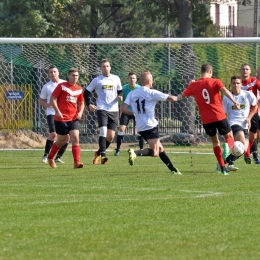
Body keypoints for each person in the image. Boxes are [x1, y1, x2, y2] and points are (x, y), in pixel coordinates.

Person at [181, 63, 239, 175]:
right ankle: (230, 154)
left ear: (201, 72)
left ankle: (222, 167)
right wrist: (234, 101)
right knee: (229, 137)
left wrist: (176, 96)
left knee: (215, 142)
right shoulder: (215, 81)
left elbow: (182, 95)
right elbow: (225, 91)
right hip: (219, 115)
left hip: (207, 120)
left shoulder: (194, 85)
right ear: (210, 72)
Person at [121, 71, 181, 175]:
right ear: (149, 81)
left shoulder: (132, 93)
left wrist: (135, 113)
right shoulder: (151, 93)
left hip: (140, 127)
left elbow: (123, 109)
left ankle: (173, 170)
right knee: (155, 152)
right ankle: (135, 153)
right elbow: (173, 99)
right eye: (152, 79)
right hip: (150, 126)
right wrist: (184, 94)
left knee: (160, 148)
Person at [84, 59, 123, 164]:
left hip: (114, 109)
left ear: (110, 67)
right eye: (103, 66)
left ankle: (98, 152)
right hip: (102, 108)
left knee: (110, 136)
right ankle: (103, 156)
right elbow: (86, 93)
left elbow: (120, 90)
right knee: (103, 132)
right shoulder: (97, 80)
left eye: (107, 66)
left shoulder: (116, 78)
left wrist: (120, 96)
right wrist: (89, 105)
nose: (106, 68)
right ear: (100, 68)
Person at [47, 68, 84, 169]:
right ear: (68, 76)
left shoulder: (79, 89)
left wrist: (80, 112)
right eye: (73, 75)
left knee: (75, 138)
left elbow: (81, 103)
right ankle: (50, 157)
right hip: (61, 119)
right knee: (61, 141)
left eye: (76, 75)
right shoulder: (62, 86)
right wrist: (57, 111)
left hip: (73, 118)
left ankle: (76, 162)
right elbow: (52, 99)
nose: (75, 77)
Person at [222, 75, 257, 172]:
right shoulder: (227, 98)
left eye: (238, 83)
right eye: (234, 83)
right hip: (233, 123)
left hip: (245, 125)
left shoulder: (247, 95)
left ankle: (226, 161)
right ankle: (228, 162)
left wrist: (249, 118)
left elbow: (255, 106)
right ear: (230, 84)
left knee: (243, 150)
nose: (236, 85)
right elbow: (223, 113)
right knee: (241, 142)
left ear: (241, 84)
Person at [40, 66, 69, 164]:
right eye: (51, 72)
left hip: (65, 114)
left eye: (55, 72)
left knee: (67, 137)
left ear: (58, 73)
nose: (53, 73)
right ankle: (46, 155)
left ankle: (58, 157)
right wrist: (47, 105)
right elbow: (41, 100)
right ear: (48, 74)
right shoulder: (47, 86)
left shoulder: (65, 84)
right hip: (52, 114)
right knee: (53, 134)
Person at [115, 71, 144, 156]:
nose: (132, 80)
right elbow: (120, 100)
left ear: (136, 80)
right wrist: (119, 109)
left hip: (136, 112)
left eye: (133, 78)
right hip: (126, 112)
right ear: (128, 79)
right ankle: (118, 149)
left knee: (140, 130)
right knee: (121, 129)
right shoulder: (124, 88)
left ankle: (141, 149)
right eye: (130, 78)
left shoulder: (139, 88)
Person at [241, 64, 260, 164]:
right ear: (241, 71)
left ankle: (247, 151)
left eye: (247, 69)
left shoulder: (254, 81)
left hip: (253, 112)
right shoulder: (237, 82)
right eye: (243, 69)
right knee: (243, 135)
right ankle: (246, 154)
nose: (245, 71)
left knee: (253, 136)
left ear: (250, 71)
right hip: (241, 113)